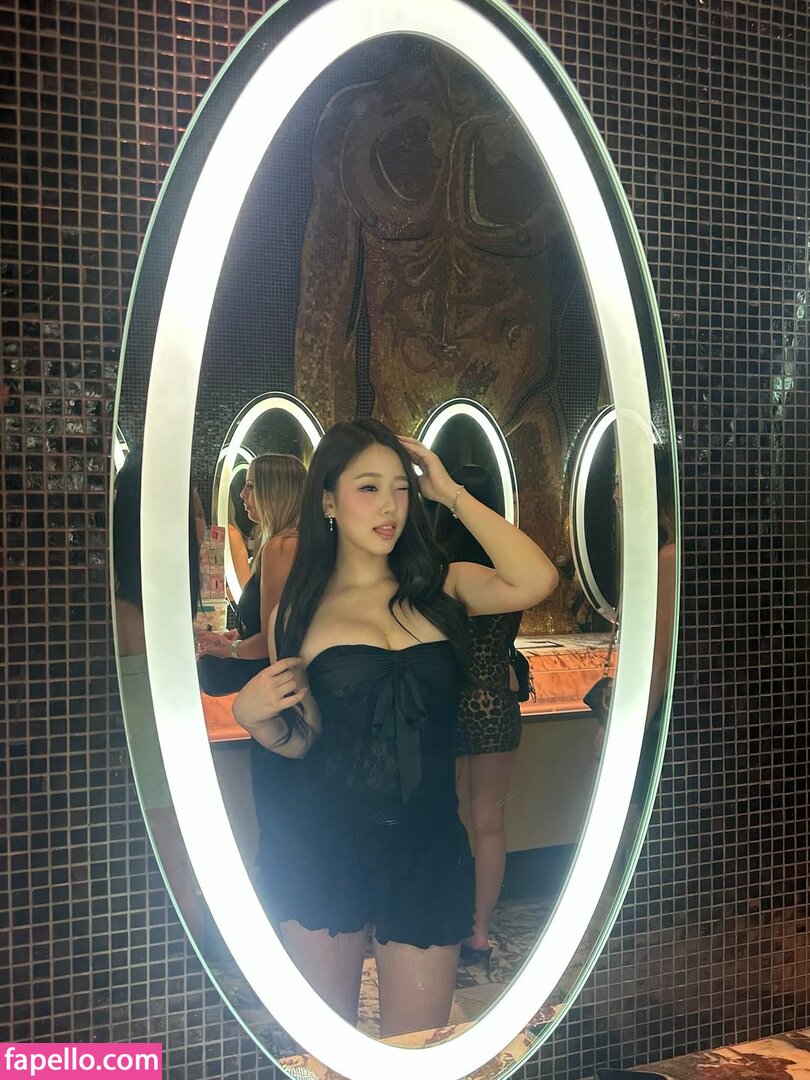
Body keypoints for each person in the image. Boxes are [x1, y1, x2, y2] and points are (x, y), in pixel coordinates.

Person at [233, 419, 558, 1037]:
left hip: (426, 846)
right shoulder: (297, 611)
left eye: (400, 488)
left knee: (416, 1052)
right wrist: (255, 721)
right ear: (328, 500)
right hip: (325, 845)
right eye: (368, 487)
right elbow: (307, 739)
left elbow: (536, 579)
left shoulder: (443, 586)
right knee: (329, 1051)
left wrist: (450, 493)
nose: (390, 506)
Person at [433, 464, 524, 972]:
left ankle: (442, 919)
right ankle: (480, 932)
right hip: (494, 699)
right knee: (489, 821)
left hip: (447, 700)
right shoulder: (506, 566)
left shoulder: (440, 570)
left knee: (441, 818)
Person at [113, 447, 203, 938]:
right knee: (177, 864)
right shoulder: (167, 592)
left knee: (148, 866)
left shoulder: (111, 589)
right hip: (165, 722)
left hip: (134, 726)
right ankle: (185, 967)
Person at [196, 453, 306, 685]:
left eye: (250, 486)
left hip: (276, 676)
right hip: (279, 671)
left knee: (207, 670)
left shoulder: (281, 547)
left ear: (275, 491)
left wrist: (229, 649)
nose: (242, 494)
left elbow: (269, 640)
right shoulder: (290, 542)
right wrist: (234, 638)